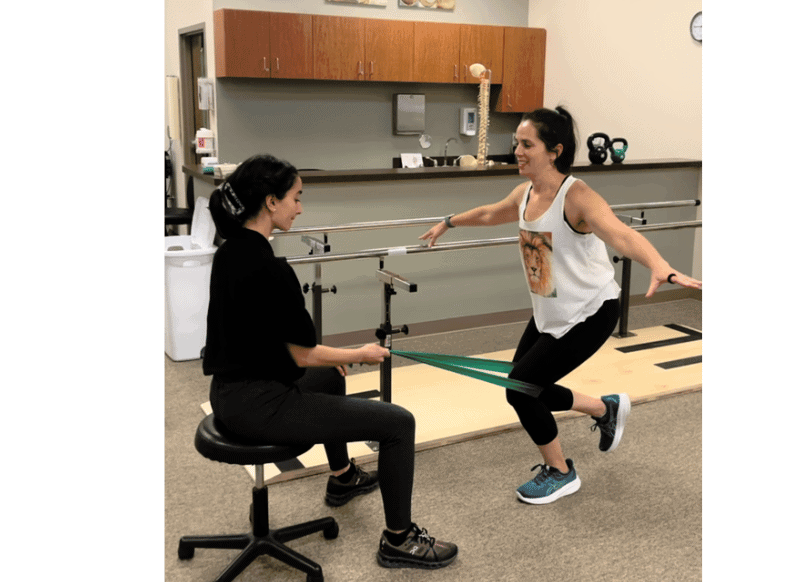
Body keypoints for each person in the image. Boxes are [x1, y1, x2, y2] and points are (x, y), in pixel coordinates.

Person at [420, 107, 702, 505]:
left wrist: (661, 266)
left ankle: (562, 473)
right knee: (521, 383)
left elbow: (620, 234)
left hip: (590, 312)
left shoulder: (577, 196)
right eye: (516, 143)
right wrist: (449, 222)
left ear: (554, 150)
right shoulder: (525, 193)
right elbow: (489, 213)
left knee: (521, 390)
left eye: (527, 144)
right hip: (551, 312)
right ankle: (603, 408)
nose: (517, 151)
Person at [202, 154, 457, 569]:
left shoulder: (230, 252)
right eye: (296, 198)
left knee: (328, 376)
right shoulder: (270, 269)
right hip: (261, 408)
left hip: (230, 394)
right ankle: (399, 540)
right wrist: (363, 354)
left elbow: (273, 343)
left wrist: (328, 361)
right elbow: (303, 353)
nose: (300, 207)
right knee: (397, 423)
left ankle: (342, 478)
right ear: (271, 201)